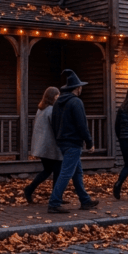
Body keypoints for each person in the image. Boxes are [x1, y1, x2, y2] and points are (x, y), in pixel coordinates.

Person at [47, 69, 98, 214]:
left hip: (62, 142)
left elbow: (54, 122)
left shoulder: (58, 103)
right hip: (73, 142)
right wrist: (89, 142)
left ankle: (85, 200)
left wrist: (58, 137)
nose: (81, 89)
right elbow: (82, 124)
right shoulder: (76, 102)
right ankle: (54, 202)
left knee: (77, 172)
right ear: (77, 88)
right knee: (66, 173)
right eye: (81, 87)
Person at [23, 87, 62, 203]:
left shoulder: (41, 109)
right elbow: (56, 128)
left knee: (48, 170)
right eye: (57, 95)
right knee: (57, 170)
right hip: (50, 147)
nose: (59, 97)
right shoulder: (51, 110)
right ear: (53, 97)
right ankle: (55, 197)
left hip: (42, 146)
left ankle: (31, 190)